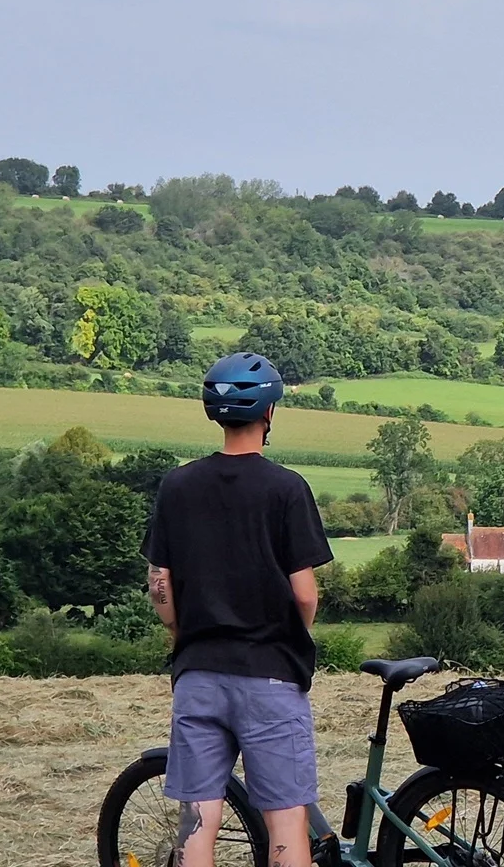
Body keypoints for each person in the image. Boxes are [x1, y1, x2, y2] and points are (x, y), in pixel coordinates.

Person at [144, 352, 333, 867]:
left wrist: (182, 631)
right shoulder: (286, 488)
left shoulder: (176, 486)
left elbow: (160, 581)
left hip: (198, 674)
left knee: (199, 819)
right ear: (268, 413)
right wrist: (290, 638)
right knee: (286, 821)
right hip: (270, 676)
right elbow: (306, 594)